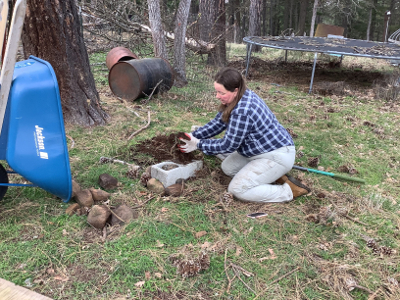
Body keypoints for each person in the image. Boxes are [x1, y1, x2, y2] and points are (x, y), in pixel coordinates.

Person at [178, 67, 310, 203]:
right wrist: (193, 136)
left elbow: (228, 145)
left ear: (235, 90)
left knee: (237, 189)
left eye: (221, 92)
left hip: (277, 155)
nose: (217, 96)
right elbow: (218, 124)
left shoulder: (243, 111)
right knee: (228, 168)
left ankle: (288, 191)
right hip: (257, 150)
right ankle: (270, 175)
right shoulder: (239, 97)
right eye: (216, 91)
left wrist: (199, 144)